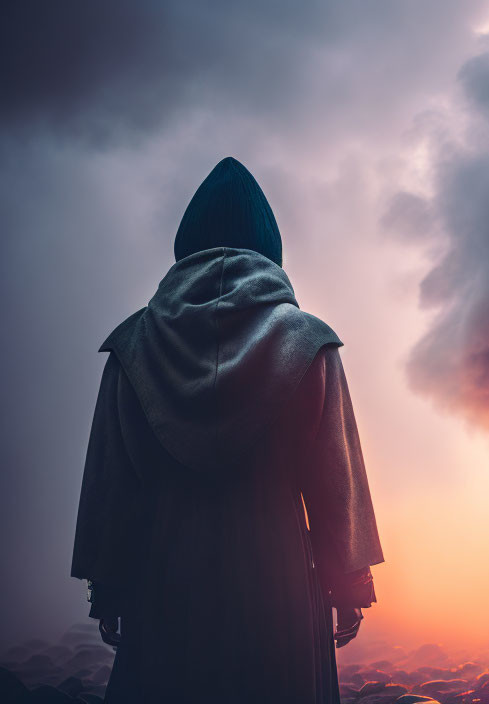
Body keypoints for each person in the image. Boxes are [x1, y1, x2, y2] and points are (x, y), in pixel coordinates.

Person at [71, 157, 384, 703]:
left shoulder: (130, 346)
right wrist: (349, 583)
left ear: (184, 243)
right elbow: (337, 479)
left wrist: (109, 587)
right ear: (270, 245)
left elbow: (111, 482)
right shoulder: (309, 342)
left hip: (163, 576)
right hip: (278, 577)